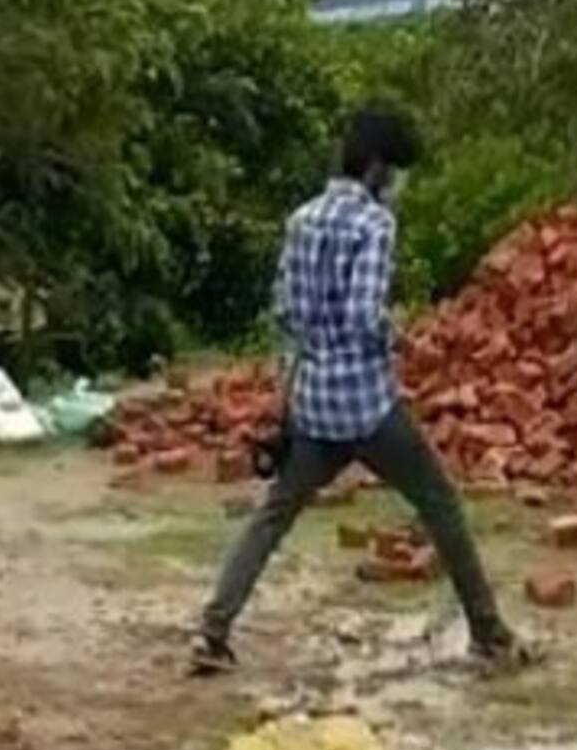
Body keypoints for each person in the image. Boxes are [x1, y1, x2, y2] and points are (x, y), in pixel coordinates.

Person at [191, 107, 527, 675]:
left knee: (272, 515)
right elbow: (362, 314)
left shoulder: (301, 219)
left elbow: (284, 312)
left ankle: (212, 633)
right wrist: (398, 336)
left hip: (313, 403)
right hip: (368, 405)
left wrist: (293, 381)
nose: (397, 185)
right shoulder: (374, 224)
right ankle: (489, 636)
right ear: (375, 168)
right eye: (395, 172)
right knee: (440, 503)